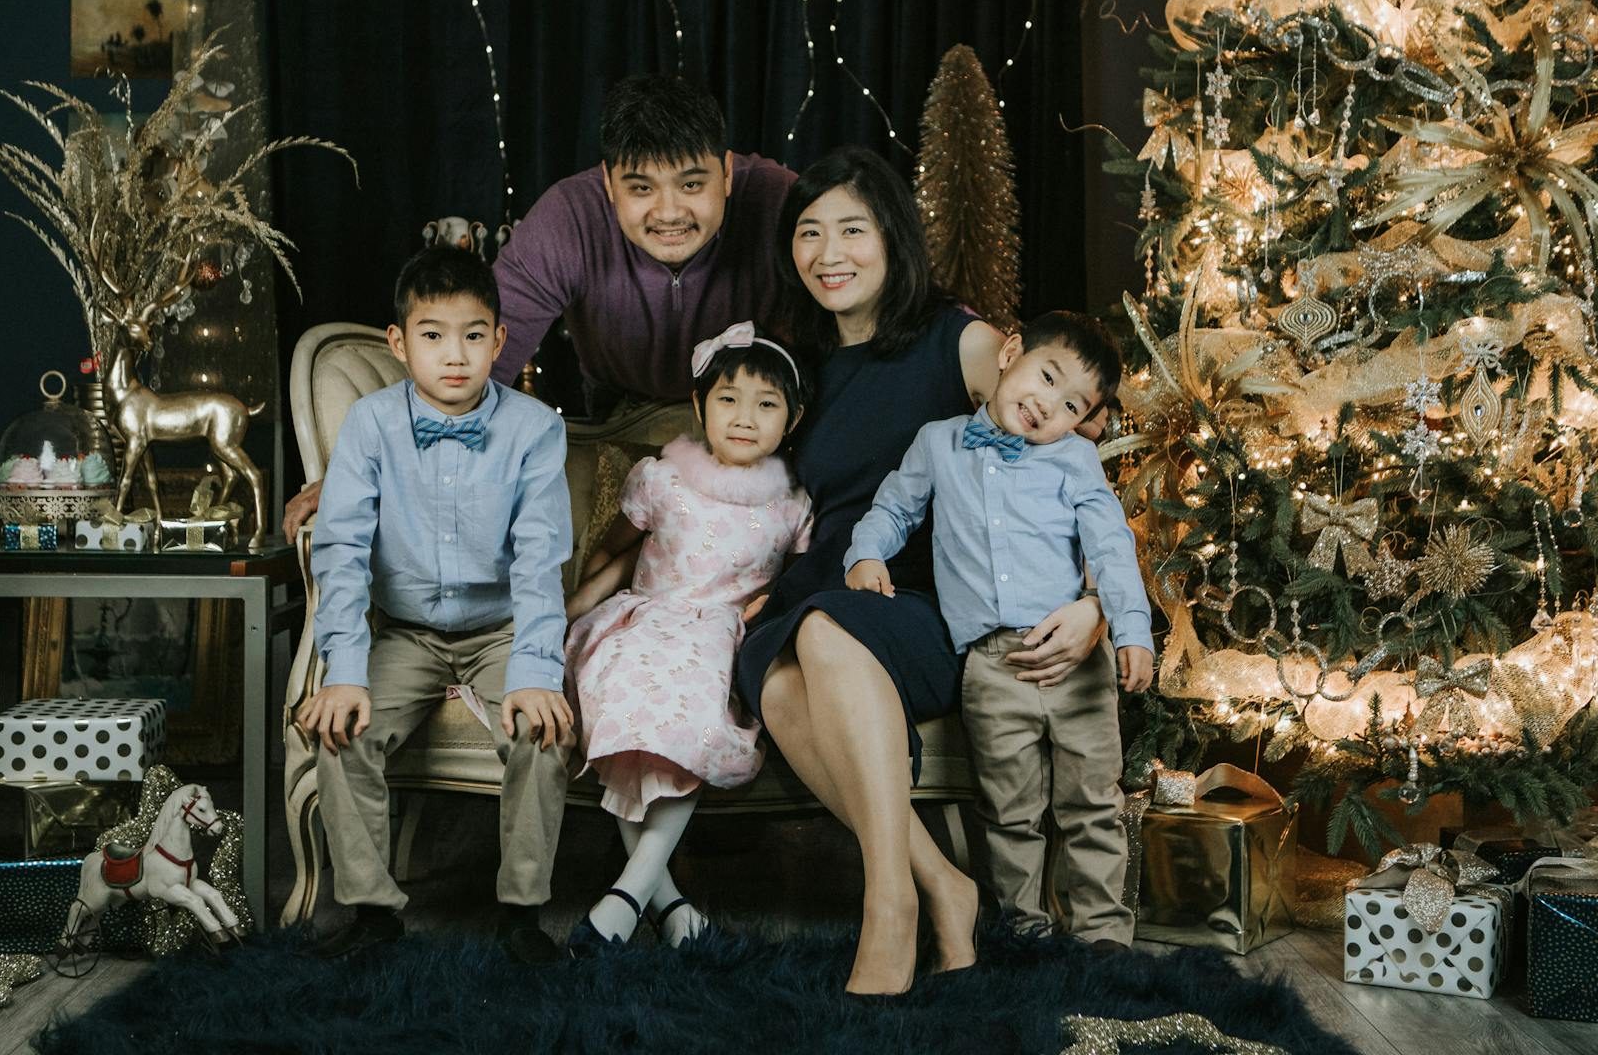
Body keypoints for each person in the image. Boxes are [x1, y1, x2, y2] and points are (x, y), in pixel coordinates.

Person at [732, 145, 1113, 996]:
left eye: (852, 230)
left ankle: (890, 905)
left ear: (894, 238)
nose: (829, 253)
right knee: (780, 665)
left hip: (943, 605)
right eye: (809, 233)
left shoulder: (965, 343)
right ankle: (943, 882)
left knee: (826, 637)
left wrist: (1096, 602)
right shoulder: (802, 362)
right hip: (827, 588)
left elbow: (1082, 472)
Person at [281, 75, 795, 543]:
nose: (669, 213)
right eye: (641, 188)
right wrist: (365, 470)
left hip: (770, 431)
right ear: (609, 183)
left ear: (726, 173)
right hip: (624, 421)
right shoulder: (568, 218)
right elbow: (478, 357)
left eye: (691, 184)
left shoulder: (780, 201)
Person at [297, 245, 576, 963]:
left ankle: (522, 913)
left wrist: (537, 672)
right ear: (399, 343)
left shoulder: (535, 429)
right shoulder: (370, 425)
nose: (455, 355)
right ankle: (373, 913)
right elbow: (342, 552)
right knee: (342, 727)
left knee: (539, 730)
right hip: (407, 633)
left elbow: (543, 563)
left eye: (473, 334)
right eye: (432, 335)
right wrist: (346, 668)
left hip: (502, 628)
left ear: (498, 340)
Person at [843, 310, 1153, 945]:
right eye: (1046, 376)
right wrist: (865, 554)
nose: (1048, 406)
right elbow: (895, 507)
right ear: (1010, 352)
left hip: (1077, 661)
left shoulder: (1075, 462)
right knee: (1009, 810)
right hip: (992, 665)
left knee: (1094, 804)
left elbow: (1112, 547)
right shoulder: (939, 443)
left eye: (1072, 404)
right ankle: (1024, 930)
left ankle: (1103, 937)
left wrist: (1132, 630)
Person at [560, 322, 812, 954]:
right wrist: (572, 613)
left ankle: (631, 892)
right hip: (645, 619)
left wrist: (772, 605)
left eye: (766, 403)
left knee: (688, 708)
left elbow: (800, 583)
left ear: (794, 417)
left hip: (720, 634)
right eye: (728, 398)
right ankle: (663, 899)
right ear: (700, 406)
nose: (745, 417)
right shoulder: (661, 477)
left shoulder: (792, 505)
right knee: (620, 699)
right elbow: (616, 551)